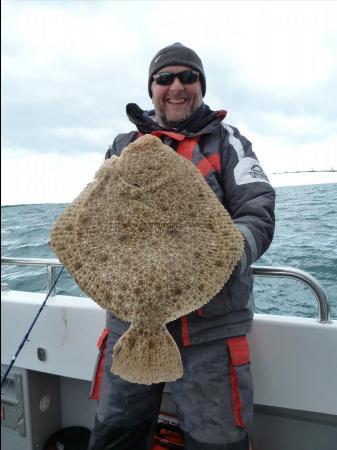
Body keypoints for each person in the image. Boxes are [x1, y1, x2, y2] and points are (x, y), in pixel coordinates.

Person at [88, 43, 275, 450]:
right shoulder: (123, 147)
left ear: (201, 86)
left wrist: (220, 257)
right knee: (115, 437)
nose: (177, 86)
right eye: (165, 78)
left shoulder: (227, 143)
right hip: (130, 326)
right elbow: (92, 219)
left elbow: (257, 212)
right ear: (152, 88)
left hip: (210, 334)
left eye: (188, 77)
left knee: (218, 443)